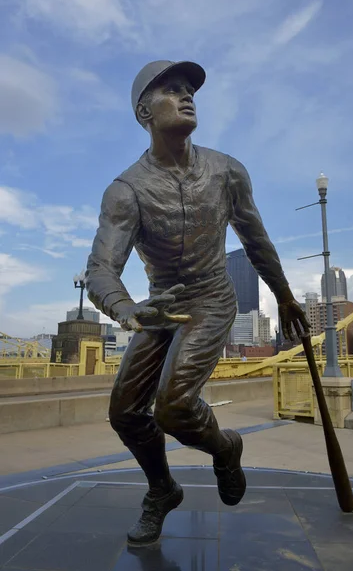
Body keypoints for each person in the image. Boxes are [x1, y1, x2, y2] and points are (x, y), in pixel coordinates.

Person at [86, 60, 309, 546]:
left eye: (190, 90)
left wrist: (285, 295)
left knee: (174, 408)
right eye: (172, 90)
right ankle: (162, 490)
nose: (187, 96)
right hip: (159, 308)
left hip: (211, 297)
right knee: (125, 412)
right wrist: (128, 312)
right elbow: (101, 268)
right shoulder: (126, 191)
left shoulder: (227, 171)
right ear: (144, 111)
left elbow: (255, 239)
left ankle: (226, 447)